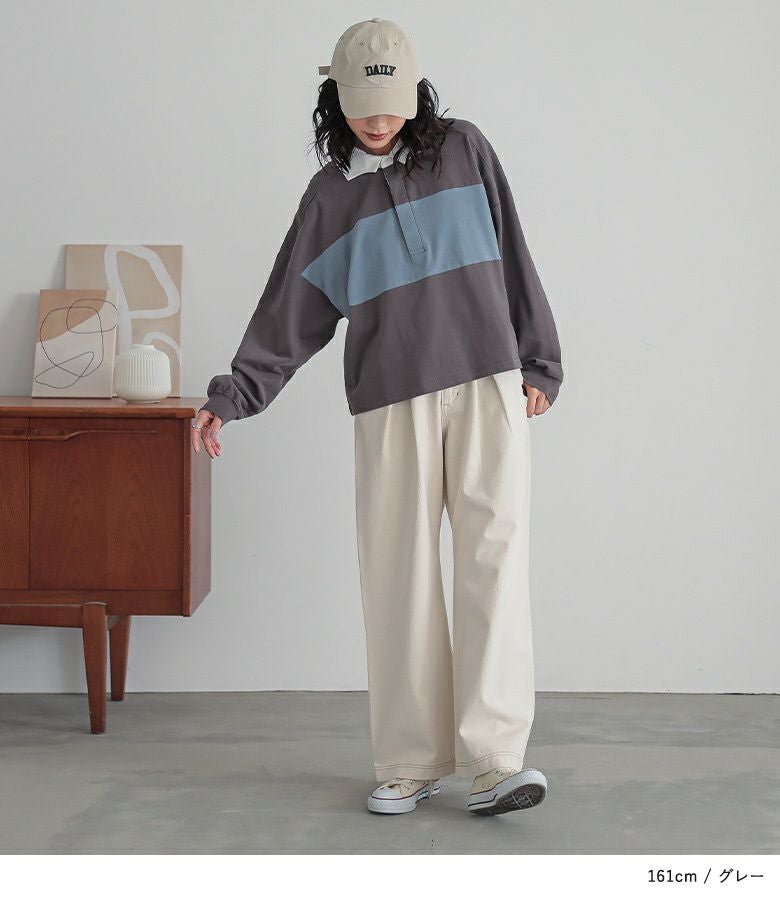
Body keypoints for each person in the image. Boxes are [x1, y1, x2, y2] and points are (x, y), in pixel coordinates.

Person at [191, 17, 563, 817]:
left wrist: (540, 361)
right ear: (337, 98)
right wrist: (234, 395)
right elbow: (290, 312)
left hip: (488, 385)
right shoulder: (330, 198)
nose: (378, 118)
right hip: (390, 402)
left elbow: (513, 251)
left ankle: (497, 760)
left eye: (391, 102)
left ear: (417, 91)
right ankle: (409, 760)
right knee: (398, 575)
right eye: (362, 104)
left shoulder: (465, 149)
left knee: (493, 563)